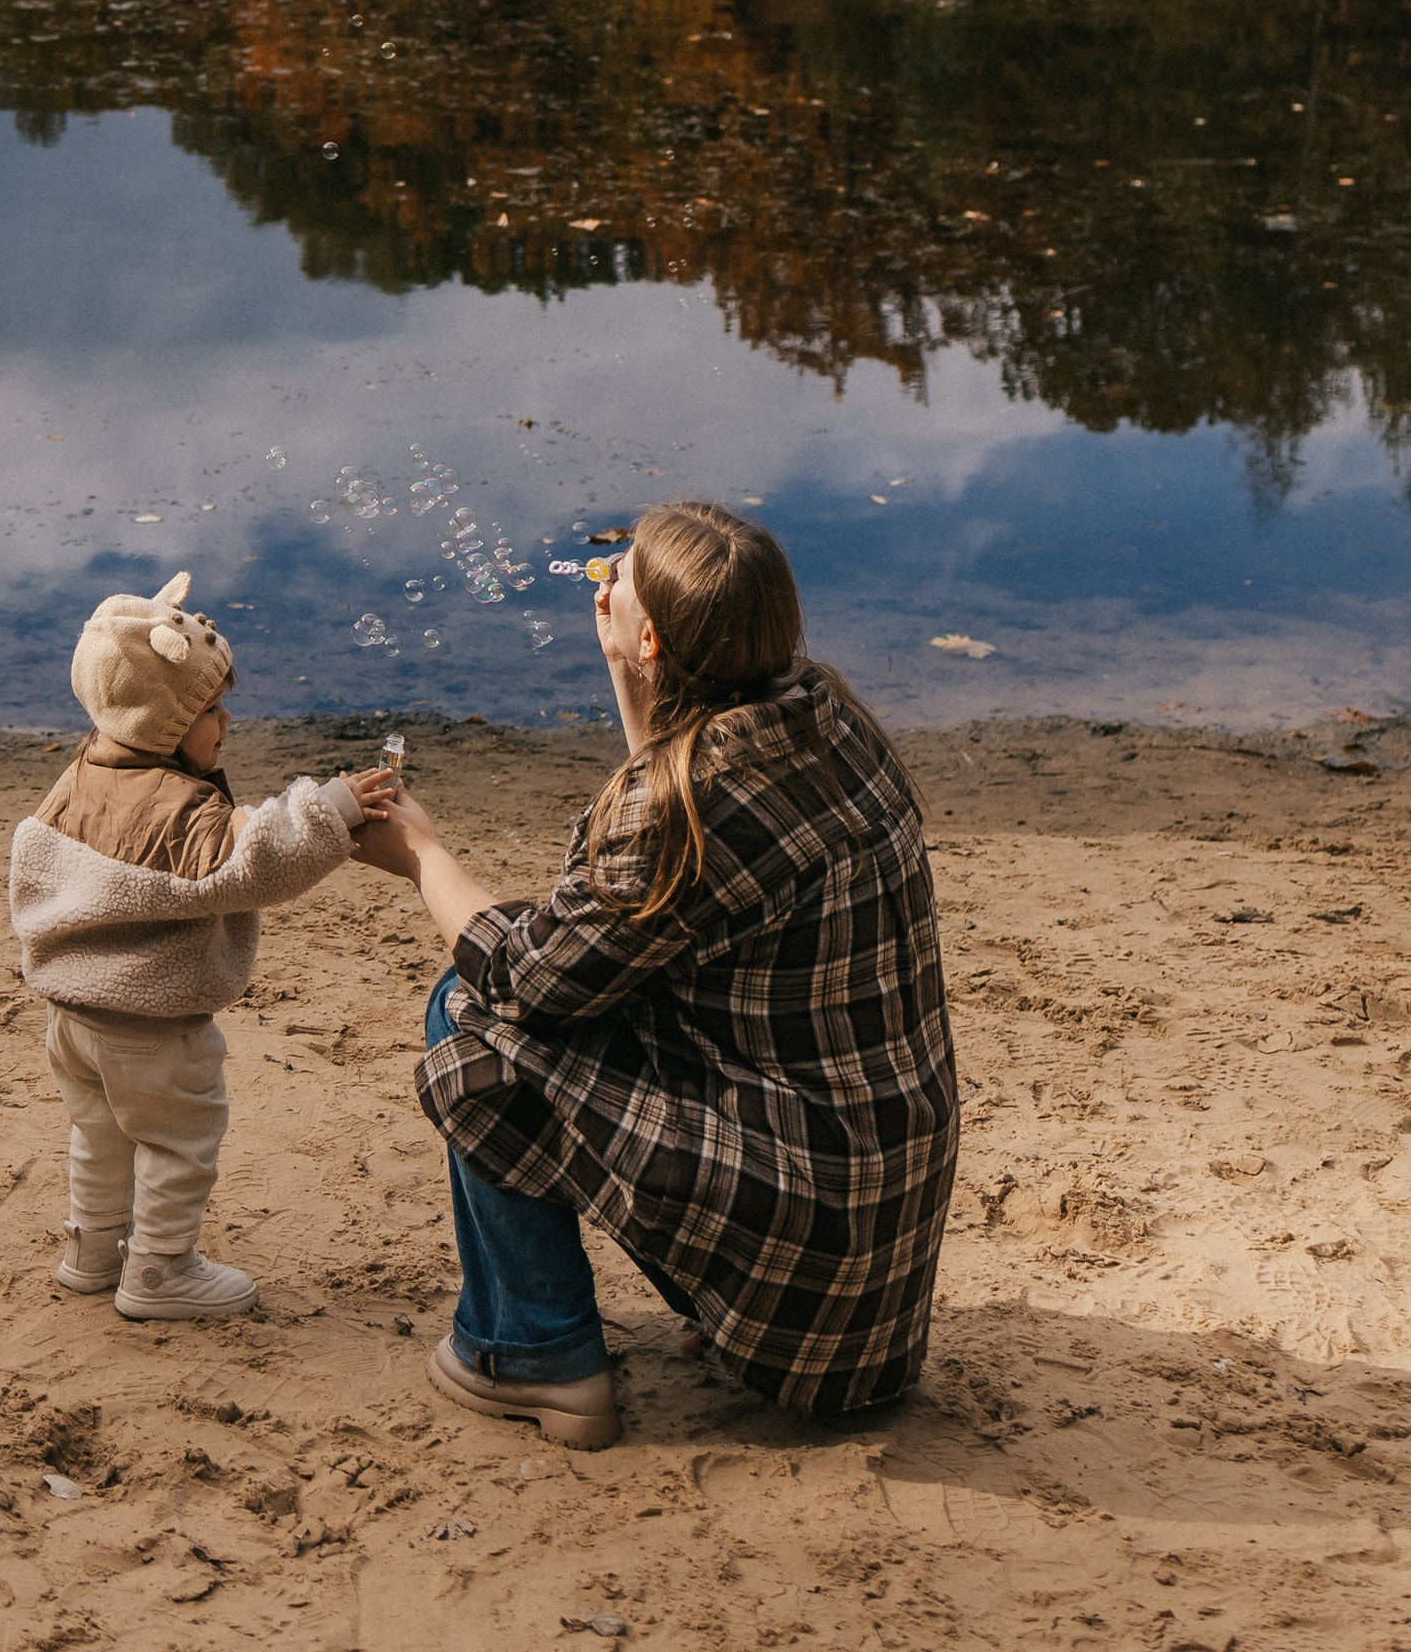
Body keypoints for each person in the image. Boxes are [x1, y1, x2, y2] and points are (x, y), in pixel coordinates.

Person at [350, 502, 958, 1444]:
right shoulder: (829, 718)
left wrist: (423, 853)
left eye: (619, 572)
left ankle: (535, 1356)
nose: (602, 574)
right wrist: (630, 676)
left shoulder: (688, 798)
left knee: (469, 1013)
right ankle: (700, 1313)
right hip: (869, 1273)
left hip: (813, 1268)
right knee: (586, 998)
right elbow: (662, 894)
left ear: (656, 634)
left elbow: (530, 977)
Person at [8, 568, 393, 1320]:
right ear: (163, 723)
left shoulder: (81, 772)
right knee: (178, 1145)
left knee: (99, 1135)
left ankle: (91, 1251)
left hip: (74, 1019)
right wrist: (335, 807)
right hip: (152, 1029)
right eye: (211, 708)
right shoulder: (182, 811)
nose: (226, 724)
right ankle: (159, 1269)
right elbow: (257, 858)